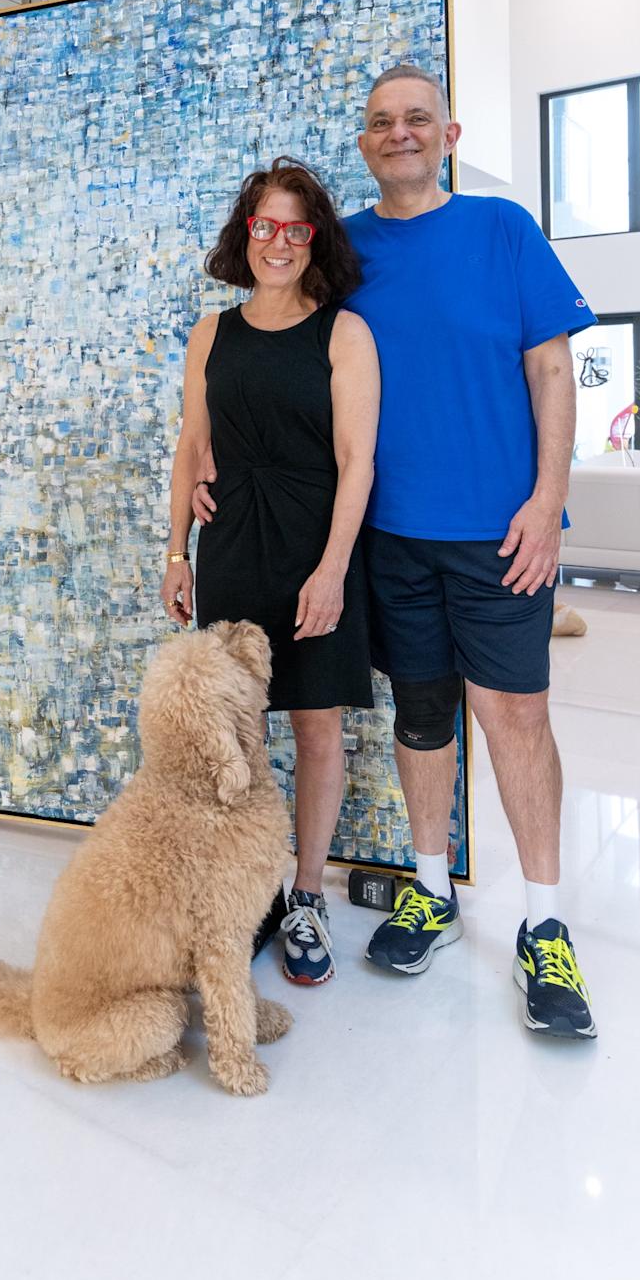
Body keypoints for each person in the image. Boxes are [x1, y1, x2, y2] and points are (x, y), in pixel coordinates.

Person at [196, 66, 597, 1038]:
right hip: (388, 537)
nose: (400, 132)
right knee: (419, 715)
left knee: (514, 716)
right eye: (381, 121)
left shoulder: (502, 230)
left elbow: (551, 365)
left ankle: (545, 925)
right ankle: (430, 890)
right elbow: (274, 351)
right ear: (364, 142)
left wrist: (548, 499)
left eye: (418, 118)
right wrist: (210, 455)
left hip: (501, 532)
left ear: (448, 134)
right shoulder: (343, 251)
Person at [161, 159, 380, 986]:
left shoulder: (345, 334)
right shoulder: (211, 333)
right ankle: (249, 892)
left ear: (314, 239)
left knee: (317, 727)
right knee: (238, 734)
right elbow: (192, 445)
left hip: (314, 548)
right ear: (244, 235)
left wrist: (332, 571)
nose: (278, 242)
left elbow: (357, 463)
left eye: (295, 227)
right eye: (264, 226)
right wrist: (176, 551)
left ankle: (307, 897)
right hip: (231, 548)